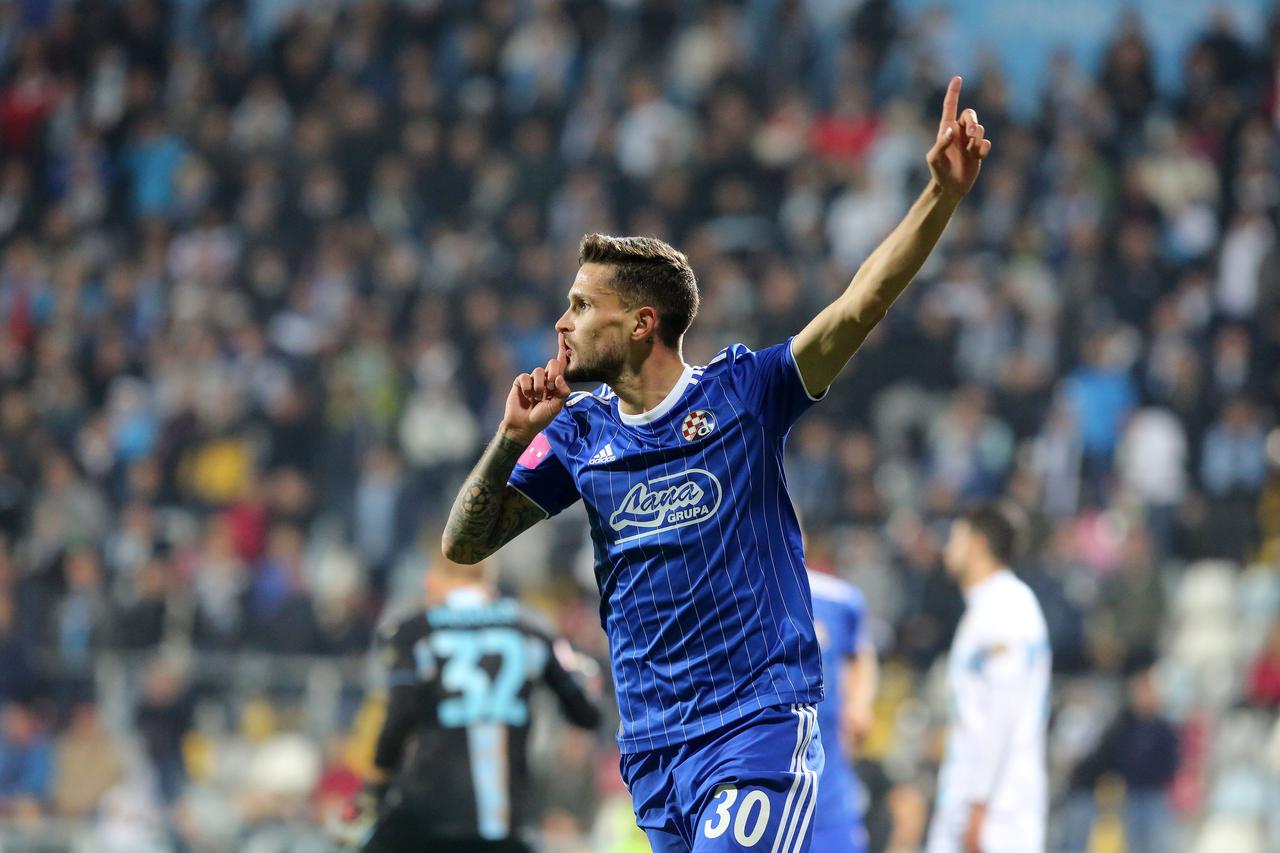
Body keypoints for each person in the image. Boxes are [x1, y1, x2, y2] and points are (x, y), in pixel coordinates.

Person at [443, 76, 991, 852]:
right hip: (655, 751)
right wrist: (506, 437)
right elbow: (465, 544)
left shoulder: (747, 392)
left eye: (580, 305)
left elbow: (858, 305)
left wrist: (940, 196)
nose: (561, 321)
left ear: (640, 323)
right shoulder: (578, 435)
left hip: (755, 727)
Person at [359, 550, 601, 852]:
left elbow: (398, 719)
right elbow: (585, 715)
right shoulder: (532, 629)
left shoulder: (416, 631)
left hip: (429, 812)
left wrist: (377, 785)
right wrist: (582, 677)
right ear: (489, 580)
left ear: (433, 581)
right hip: (508, 819)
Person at [927, 503, 1051, 853]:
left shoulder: (1007, 608)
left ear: (978, 543)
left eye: (955, 538)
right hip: (971, 797)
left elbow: (1003, 714)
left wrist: (979, 806)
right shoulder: (985, 608)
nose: (948, 548)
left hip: (999, 807)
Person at [807, 567, 879, 853]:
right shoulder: (731, 595)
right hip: (759, 790)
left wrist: (860, 703)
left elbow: (861, 654)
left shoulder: (836, 599)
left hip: (829, 796)